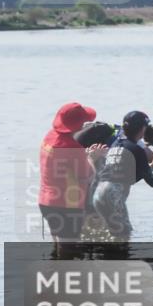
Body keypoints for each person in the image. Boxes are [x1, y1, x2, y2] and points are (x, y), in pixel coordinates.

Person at [92, 111, 153, 240]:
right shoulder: (136, 150)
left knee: (118, 236)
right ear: (142, 129)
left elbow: (123, 179)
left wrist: (152, 167)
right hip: (113, 197)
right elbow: (152, 182)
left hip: (99, 195)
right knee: (123, 238)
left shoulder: (116, 145)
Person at [38, 102, 107, 251]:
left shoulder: (49, 137)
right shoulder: (72, 147)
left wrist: (84, 155)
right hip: (66, 207)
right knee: (69, 254)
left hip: (46, 202)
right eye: (84, 122)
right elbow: (88, 177)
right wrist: (92, 157)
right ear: (77, 125)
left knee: (58, 249)